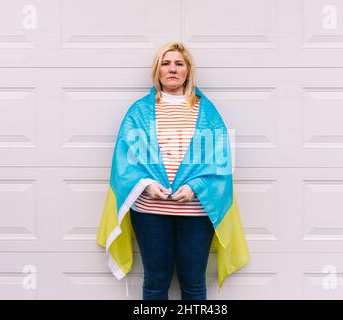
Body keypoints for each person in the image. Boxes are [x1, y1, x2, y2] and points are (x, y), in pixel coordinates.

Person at [96, 42, 249, 300]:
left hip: (196, 211)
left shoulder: (206, 112)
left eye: (179, 63)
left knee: (194, 284)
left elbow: (220, 162)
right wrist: (146, 184)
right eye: (165, 64)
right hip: (150, 211)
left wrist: (194, 187)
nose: (172, 69)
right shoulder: (140, 112)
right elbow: (125, 161)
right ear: (157, 71)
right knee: (155, 283)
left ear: (188, 70)